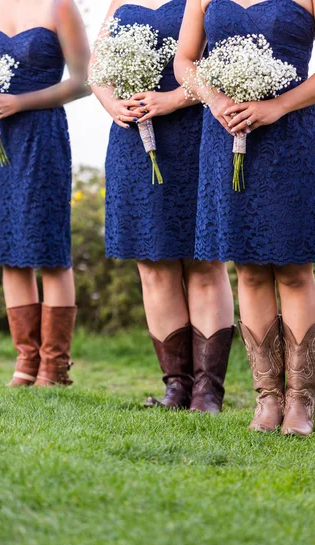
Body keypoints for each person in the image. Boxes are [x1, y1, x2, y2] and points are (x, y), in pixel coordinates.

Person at [175, 0, 315, 433]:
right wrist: (214, 99)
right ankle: (267, 401)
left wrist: (279, 106)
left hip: (291, 137)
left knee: (294, 269)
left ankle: (300, 403)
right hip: (224, 133)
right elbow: (184, 60)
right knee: (249, 270)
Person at [91, 0, 235, 413]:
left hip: (196, 134)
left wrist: (173, 100)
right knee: (152, 264)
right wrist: (111, 103)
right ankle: (176, 387)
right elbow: (96, 68)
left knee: (203, 260)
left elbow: (222, 66)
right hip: (132, 139)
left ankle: (208, 392)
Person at [0, 0, 90, 386]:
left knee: (48, 248)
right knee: (9, 248)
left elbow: (83, 81)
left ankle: (54, 367)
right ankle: (26, 361)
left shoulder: (60, 6)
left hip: (41, 135)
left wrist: (19, 102)